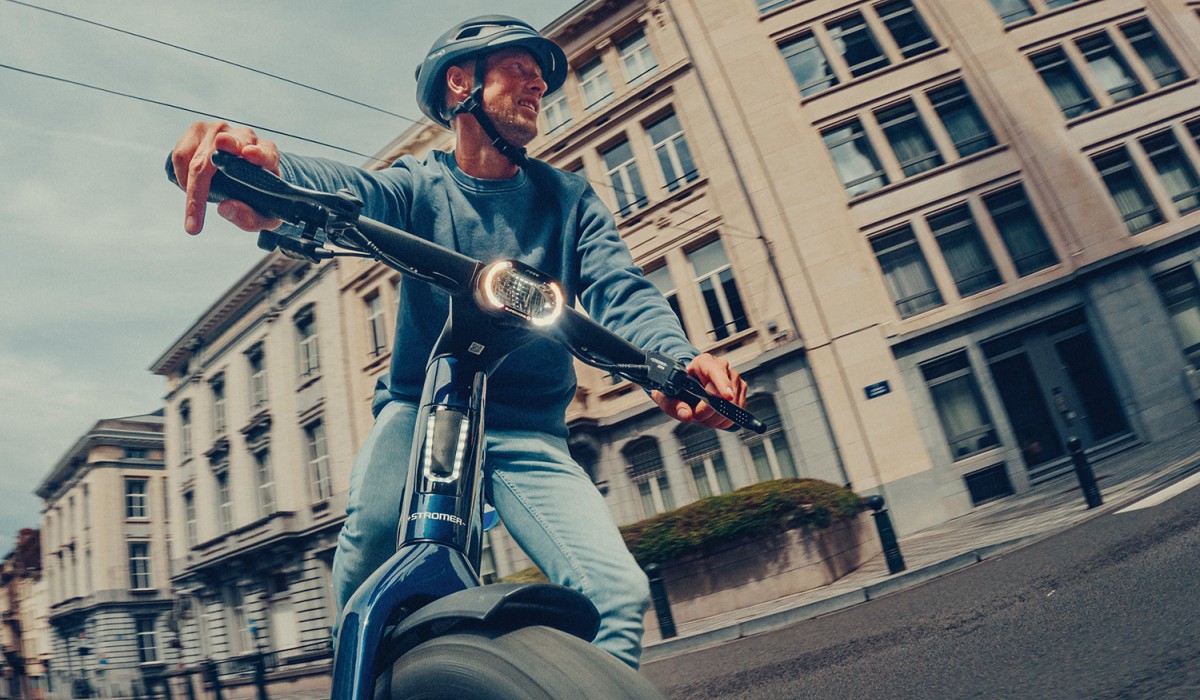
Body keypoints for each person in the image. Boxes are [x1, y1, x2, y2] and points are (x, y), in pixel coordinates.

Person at [170, 15, 748, 669]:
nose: (539, 84)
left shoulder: (569, 201)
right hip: (422, 413)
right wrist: (260, 170)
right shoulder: (419, 185)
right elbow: (351, 193)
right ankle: (360, 675)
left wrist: (675, 361)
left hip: (529, 433)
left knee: (615, 593)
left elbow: (624, 290)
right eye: (520, 69)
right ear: (459, 83)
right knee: (371, 546)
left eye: (542, 76)